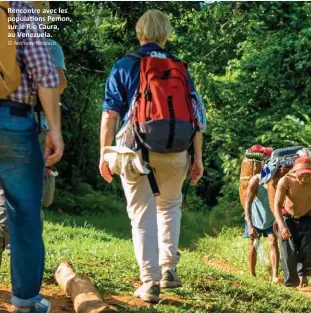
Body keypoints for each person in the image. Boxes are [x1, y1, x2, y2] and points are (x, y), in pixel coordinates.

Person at [99, 9, 205, 303]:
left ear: (139, 32)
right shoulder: (179, 67)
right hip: (178, 149)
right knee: (170, 206)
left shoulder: (125, 65)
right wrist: (197, 158)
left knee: (142, 214)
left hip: (136, 149)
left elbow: (110, 115)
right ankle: (169, 269)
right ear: (166, 34)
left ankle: (150, 282)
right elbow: (197, 117)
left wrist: (104, 153)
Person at [0, 1, 64, 313]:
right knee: (24, 215)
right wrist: (54, 128)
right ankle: (24, 302)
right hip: (13, 121)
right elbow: (45, 73)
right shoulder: (19, 9)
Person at [273, 156, 311, 287]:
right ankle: (291, 283)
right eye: (301, 175)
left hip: (307, 217)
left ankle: (304, 275)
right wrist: (282, 226)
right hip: (287, 218)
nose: (304, 179)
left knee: (309, 249)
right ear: (295, 172)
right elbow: (277, 205)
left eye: (308, 175)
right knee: (288, 251)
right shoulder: (286, 181)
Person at [243, 147, 282, 284]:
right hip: (255, 217)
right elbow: (247, 203)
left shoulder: (278, 181)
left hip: (271, 218)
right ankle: (252, 274)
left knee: (273, 242)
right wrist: (249, 224)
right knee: (254, 243)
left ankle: (275, 276)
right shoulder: (255, 180)